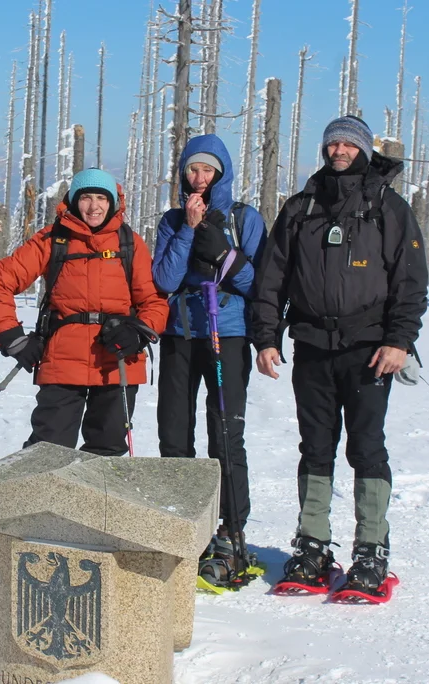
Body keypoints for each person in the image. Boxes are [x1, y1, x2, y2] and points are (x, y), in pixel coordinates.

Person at [250, 115, 429, 598]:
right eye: (333, 144)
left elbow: (411, 281)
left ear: (364, 150)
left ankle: (371, 550)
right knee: (315, 446)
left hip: (370, 349)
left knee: (366, 447)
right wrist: (266, 338)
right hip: (312, 344)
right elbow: (271, 279)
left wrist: (399, 340)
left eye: (349, 144)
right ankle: (312, 546)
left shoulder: (388, 207)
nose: (339, 151)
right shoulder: (302, 207)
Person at [0, 167, 169, 457]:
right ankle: (39, 489)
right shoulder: (53, 239)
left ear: (112, 202)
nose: (94, 206)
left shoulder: (130, 243)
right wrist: (12, 337)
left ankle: (94, 491)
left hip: (117, 360)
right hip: (62, 359)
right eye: (85, 198)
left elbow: (154, 301)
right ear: (73, 201)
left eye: (101, 198)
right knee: (48, 450)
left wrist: (139, 333)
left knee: (107, 450)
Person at [152, 134, 266, 583]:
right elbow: (165, 279)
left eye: (207, 170)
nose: (199, 178)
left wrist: (222, 252)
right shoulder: (172, 220)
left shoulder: (244, 218)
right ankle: (180, 520)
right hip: (179, 332)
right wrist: (188, 230)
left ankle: (231, 528)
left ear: (221, 173)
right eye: (192, 170)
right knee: (174, 431)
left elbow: (258, 283)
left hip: (228, 331)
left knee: (225, 432)